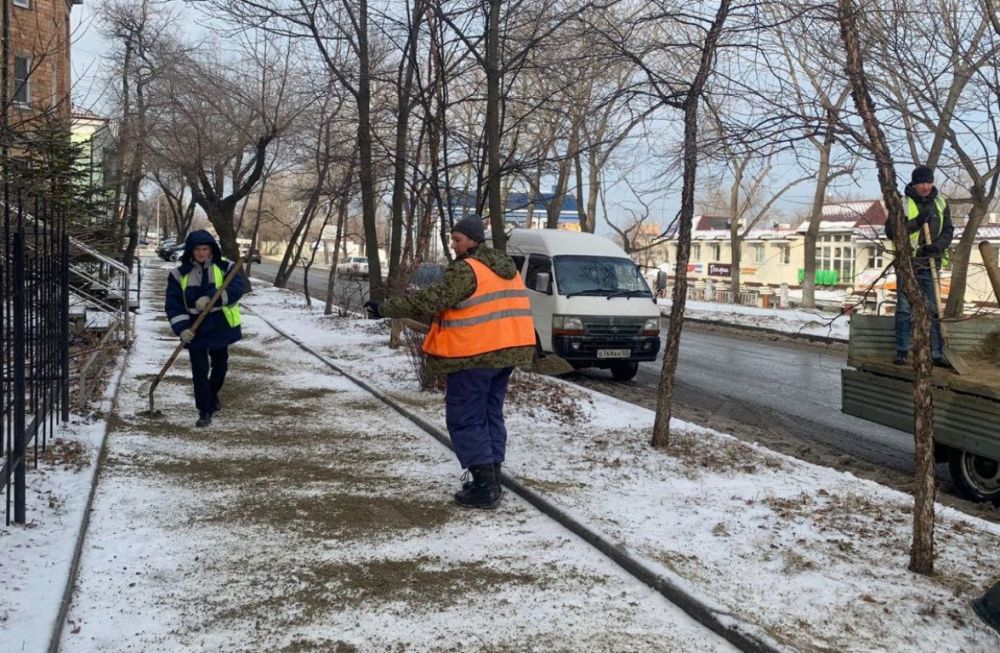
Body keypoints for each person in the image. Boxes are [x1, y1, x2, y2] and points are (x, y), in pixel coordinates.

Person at [364, 217, 535, 509]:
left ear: (473, 241)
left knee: (466, 416)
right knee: (489, 413)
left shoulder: (468, 269)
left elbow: (430, 301)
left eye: (457, 240)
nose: (453, 245)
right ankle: (491, 475)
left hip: (474, 354)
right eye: (453, 239)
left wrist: (384, 308)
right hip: (508, 353)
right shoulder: (505, 269)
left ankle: (484, 488)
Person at [165, 230, 244, 427]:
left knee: (220, 367)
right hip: (195, 328)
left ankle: (211, 395)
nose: (201, 253)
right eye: (197, 250)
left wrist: (211, 297)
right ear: (191, 251)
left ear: (211, 250)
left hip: (219, 325)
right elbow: (173, 305)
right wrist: (182, 329)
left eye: (205, 249)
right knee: (199, 371)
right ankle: (204, 410)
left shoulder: (225, 267)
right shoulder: (178, 274)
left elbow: (236, 287)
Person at [885, 165, 953, 366]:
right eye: (921, 182)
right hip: (908, 263)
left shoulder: (940, 203)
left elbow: (948, 230)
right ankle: (902, 351)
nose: (925, 186)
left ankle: (937, 352)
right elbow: (891, 231)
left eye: (929, 182)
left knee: (934, 309)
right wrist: (916, 222)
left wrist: (937, 247)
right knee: (905, 309)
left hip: (930, 263)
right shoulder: (901, 203)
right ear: (914, 184)